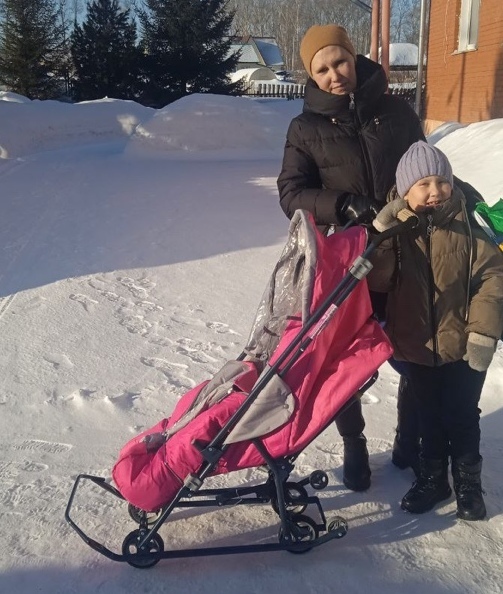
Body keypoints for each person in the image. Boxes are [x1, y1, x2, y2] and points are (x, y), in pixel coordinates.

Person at [277, 24, 425, 491]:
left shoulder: (397, 112)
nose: (334, 74)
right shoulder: (305, 128)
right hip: (350, 260)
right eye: (321, 69)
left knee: (416, 350)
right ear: (312, 75)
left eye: (339, 61)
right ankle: (354, 443)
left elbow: (425, 169)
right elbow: (291, 193)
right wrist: (341, 205)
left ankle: (409, 438)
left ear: (353, 55)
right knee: (347, 358)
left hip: (408, 250)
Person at [369, 140, 503, 520]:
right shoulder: (397, 231)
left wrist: (483, 333)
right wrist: (381, 234)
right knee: (428, 415)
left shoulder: (468, 223)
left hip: (464, 343)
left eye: (442, 181)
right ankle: (433, 479)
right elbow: (378, 282)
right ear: (405, 191)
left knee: (462, 415)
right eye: (423, 184)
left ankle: (468, 484)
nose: (435, 191)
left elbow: (491, 277)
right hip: (417, 344)